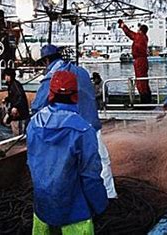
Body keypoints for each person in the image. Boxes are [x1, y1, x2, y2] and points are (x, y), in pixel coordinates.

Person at [27, 70, 109, 234]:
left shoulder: (34, 124)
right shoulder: (84, 130)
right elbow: (90, 175)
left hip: (42, 206)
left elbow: (31, 162)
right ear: (76, 95)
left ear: (50, 94)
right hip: (74, 212)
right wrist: (101, 204)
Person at [31, 44, 117, 199]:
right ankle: (108, 196)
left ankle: (76, 198)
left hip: (69, 131)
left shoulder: (52, 76)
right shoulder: (82, 71)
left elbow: (37, 107)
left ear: (46, 60)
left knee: (67, 167)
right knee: (100, 163)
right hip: (91, 126)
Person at [117, 19, 152, 104]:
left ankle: (144, 100)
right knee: (144, 80)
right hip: (143, 60)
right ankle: (147, 98)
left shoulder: (139, 37)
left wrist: (122, 25)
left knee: (140, 81)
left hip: (139, 60)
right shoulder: (144, 38)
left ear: (140, 30)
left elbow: (129, 33)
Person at [2, 68, 30, 135]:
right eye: (5, 76)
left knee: (18, 128)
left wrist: (15, 106)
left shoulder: (15, 85)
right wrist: (6, 99)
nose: (6, 78)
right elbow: (13, 96)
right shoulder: (11, 85)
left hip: (19, 111)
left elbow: (20, 96)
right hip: (16, 110)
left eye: (8, 76)